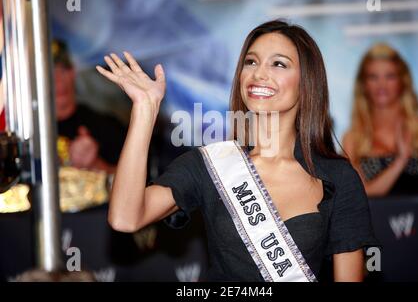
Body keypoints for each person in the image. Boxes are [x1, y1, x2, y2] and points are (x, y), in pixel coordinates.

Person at [96, 20, 378, 282]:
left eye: (279, 64)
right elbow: (125, 218)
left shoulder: (337, 177)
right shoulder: (211, 164)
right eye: (251, 62)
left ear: (307, 83)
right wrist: (145, 110)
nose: (259, 74)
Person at [343, 43, 418, 197]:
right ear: (363, 85)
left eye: (390, 76)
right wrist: (401, 160)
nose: (381, 85)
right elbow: (361, 199)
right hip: (375, 221)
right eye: (373, 77)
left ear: (403, 81)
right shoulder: (353, 139)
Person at [52, 39, 126, 174]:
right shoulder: (28, 132)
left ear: (73, 72)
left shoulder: (105, 126)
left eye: (63, 70)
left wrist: (94, 164)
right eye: (49, 74)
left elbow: (134, 183)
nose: (58, 80)